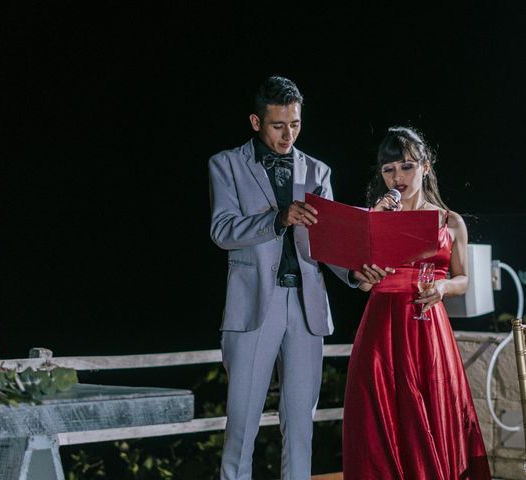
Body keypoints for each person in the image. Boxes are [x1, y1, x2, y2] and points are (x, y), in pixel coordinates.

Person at [208, 75, 388, 480]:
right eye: (278, 125)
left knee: (301, 425)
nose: (288, 134)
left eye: (295, 124)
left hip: (306, 308)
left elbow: (327, 243)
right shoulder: (226, 164)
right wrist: (278, 218)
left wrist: (356, 273)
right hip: (255, 305)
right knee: (242, 424)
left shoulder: (318, 171)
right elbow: (222, 231)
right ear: (256, 122)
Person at [342, 126, 491, 479]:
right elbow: (362, 284)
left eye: (407, 166)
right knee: (379, 421)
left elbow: (464, 279)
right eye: (389, 169)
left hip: (427, 327)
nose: (398, 176)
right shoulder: (374, 219)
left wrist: (442, 288)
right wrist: (371, 240)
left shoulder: (449, 221)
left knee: (433, 415)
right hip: (380, 327)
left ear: (425, 166)